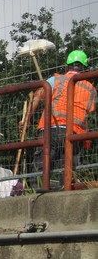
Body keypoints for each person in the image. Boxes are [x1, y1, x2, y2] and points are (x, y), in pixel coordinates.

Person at [21, 50, 97, 190]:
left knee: (42, 165)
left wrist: (26, 120)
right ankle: (65, 197)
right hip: (75, 134)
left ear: (67, 65)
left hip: (51, 129)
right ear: (84, 67)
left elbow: (36, 97)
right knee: (67, 171)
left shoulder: (56, 80)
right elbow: (87, 116)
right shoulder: (91, 88)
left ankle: (37, 194)